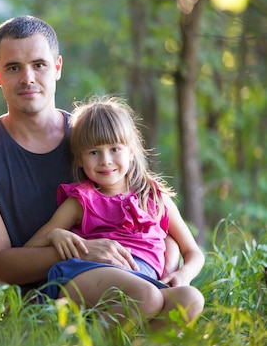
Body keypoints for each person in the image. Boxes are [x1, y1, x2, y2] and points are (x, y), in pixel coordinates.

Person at [0, 15, 178, 292]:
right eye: (13, 67)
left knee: (175, 305)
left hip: (135, 280)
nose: (28, 78)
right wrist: (80, 251)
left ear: (57, 67)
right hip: (46, 307)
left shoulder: (96, 141)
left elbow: (156, 218)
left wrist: (166, 265)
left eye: (39, 65)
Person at [24, 96, 205, 330]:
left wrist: (183, 275)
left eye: (115, 149)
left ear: (131, 151)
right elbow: (30, 248)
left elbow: (193, 252)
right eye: (94, 153)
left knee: (190, 299)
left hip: (145, 283)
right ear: (79, 159)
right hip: (88, 275)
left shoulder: (156, 199)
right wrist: (54, 235)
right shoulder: (82, 200)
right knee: (146, 296)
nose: (105, 161)